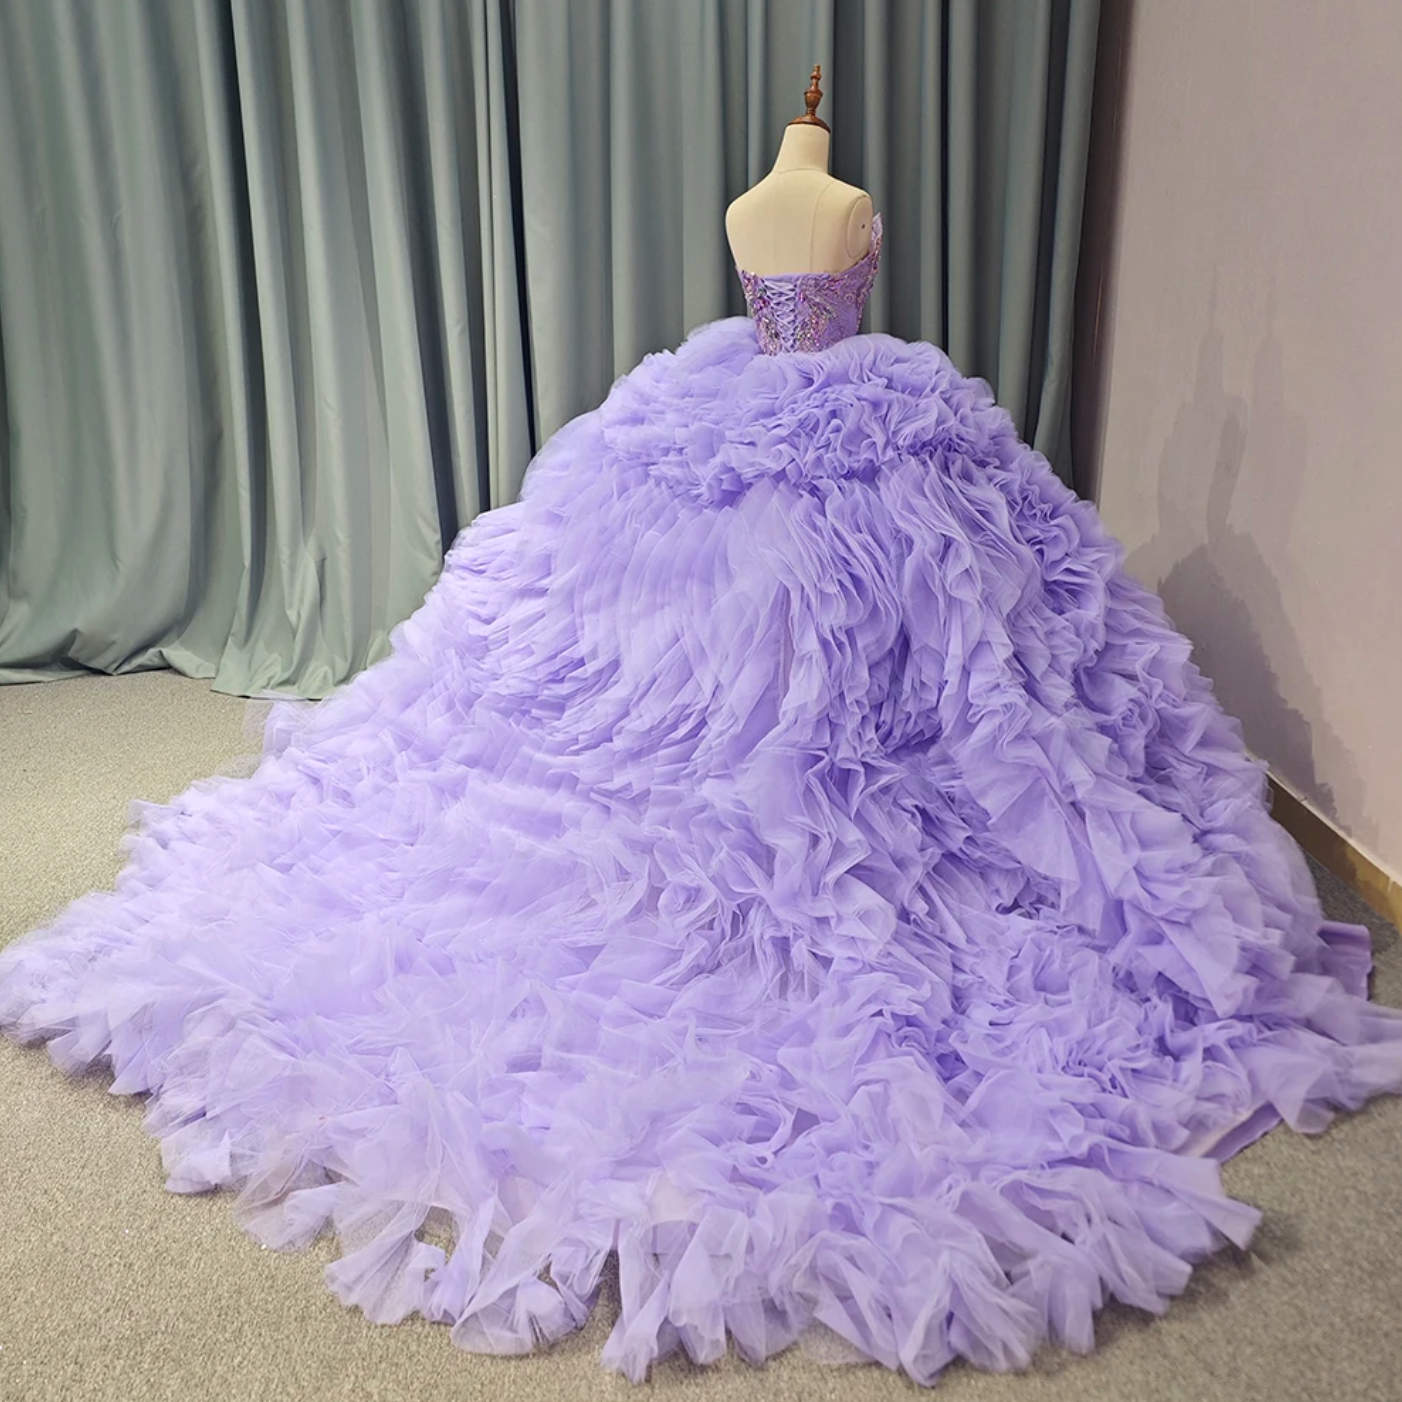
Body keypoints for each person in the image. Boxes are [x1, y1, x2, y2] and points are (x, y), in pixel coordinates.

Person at [3, 67, 1400, 1386]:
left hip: (815, 456)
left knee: (896, 697)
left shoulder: (784, 209)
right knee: (717, 702)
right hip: (786, 451)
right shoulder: (825, 211)